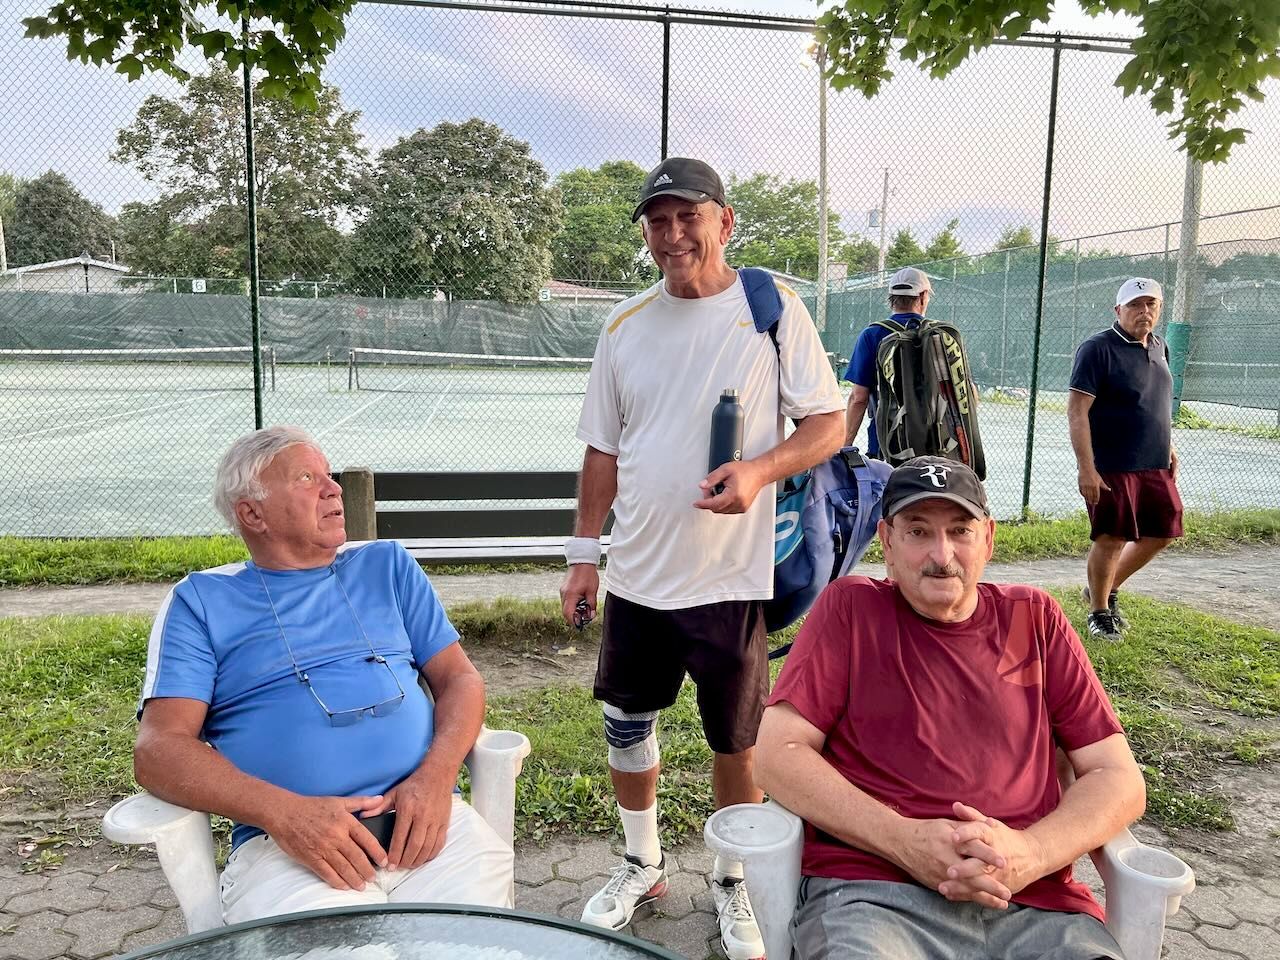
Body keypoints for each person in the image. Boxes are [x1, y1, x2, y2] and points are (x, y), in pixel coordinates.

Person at [559, 156, 845, 958]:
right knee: (626, 724)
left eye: (690, 216)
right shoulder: (623, 326)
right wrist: (585, 557)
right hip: (638, 576)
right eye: (658, 220)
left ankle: (728, 881)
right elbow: (601, 451)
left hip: (728, 577)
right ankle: (641, 861)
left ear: (725, 222)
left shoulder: (771, 308)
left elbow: (826, 424)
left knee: (735, 741)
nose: (673, 234)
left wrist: (758, 470)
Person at [755, 456, 1146, 960]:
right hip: (875, 898)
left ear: (988, 538)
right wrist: (903, 840)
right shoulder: (850, 609)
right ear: (887, 543)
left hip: (1032, 904)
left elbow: (1118, 777)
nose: (942, 554)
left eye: (959, 530)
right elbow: (777, 753)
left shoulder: (1035, 618)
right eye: (918, 532)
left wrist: (1030, 853)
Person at [134, 426, 513, 924]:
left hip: (429, 826)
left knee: (473, 946)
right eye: (308, 478)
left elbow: (459, 679)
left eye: (329, 476)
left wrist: (436, 777)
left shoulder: (387, 567)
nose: (332, 489)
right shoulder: (202, 602)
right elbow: (159, 751)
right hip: (290, 849)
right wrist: (285, 813)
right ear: (253, 513)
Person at [1068, 277, 1182, 643]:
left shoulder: (1160, 346)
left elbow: (1156, 402)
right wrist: (1087, 468)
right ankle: (1100, 611)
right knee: (1111, 538)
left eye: (1151, 304)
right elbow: (1077, 412)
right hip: (1111, 465)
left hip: (1154, 462)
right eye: (1135, 305)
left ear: (1159, 309)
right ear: (1118, 310)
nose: (1143, 312)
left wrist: (1169, 447)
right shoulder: (1097, 349)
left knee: (1162, 532)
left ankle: (1102, 587)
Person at [842, 266, 933, 454]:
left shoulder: (873, 334)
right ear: (923, 296)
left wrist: (844, 445)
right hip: (937, 446)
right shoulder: (940, 336)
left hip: (888, 446)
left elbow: (859, 398)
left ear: (891, 299)